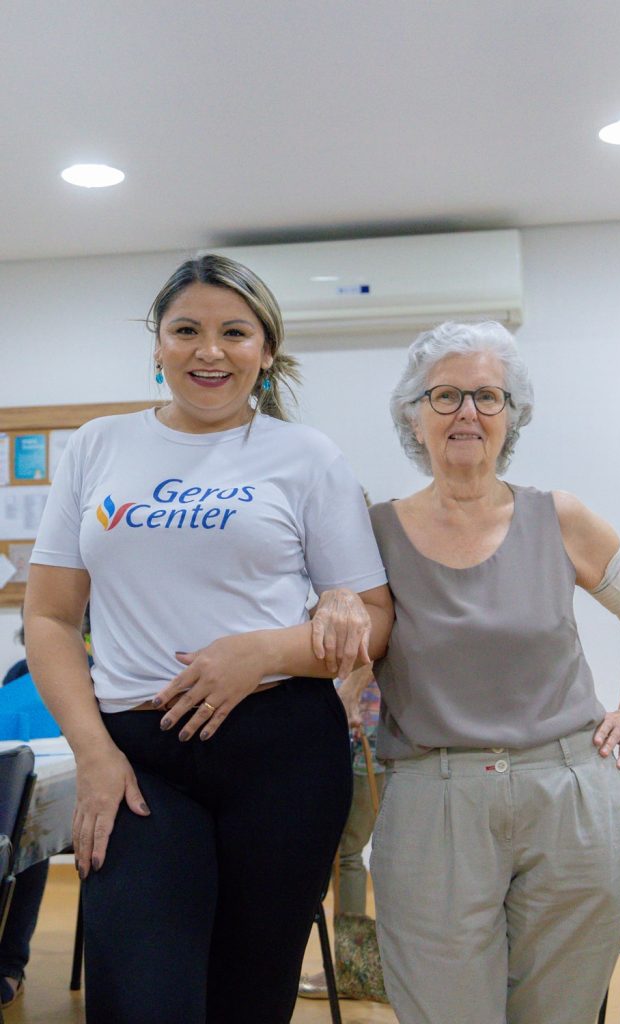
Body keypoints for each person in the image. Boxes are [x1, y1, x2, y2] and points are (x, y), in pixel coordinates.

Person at [23, 254, 393, 1024]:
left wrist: (261, 652)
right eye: (186, 329)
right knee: (142, 994)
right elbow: (52, 617)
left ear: (265, 350)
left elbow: (372, 619)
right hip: (135, 755)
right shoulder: (99, 446)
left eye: (234, 331)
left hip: (282, 750)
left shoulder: (306, 457)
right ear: (157, 345)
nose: (209, 350)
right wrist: (93, 753)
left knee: (248, 998)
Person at [367, 321, 620, 1024]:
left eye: (487, 396)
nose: (467, 412)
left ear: (513, 414)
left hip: (570, 795)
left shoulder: (557, 517)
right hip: (432, 797)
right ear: (413, 415)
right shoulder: (375, 530)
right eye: (443, 395)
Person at [0, 606, 91, 1009]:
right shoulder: (21, 672)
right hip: (34, 789)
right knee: (17, 823)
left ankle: (9, 964)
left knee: (26, 834)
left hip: (81, 798)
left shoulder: (103, 668)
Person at [299, 662, 385, 1000]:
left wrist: (347, 694)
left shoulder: (368, 613)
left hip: (363, 739)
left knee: (346, 855)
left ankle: (350, 970)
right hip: (363, 740)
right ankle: (353, 969)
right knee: (347, 855)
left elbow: (374, 652)